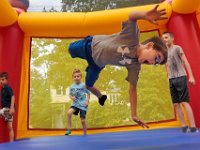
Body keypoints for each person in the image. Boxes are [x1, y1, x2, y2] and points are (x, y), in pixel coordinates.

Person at [68, 5, 168, 128]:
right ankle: (86, 66)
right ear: (150, 45)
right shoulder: (132, 37)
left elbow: (132, 89)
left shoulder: (135, 66)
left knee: (88, 85)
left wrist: (134, 114)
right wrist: (145, 16)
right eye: (157, 57)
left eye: (157, 63)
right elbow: (132, 17)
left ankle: (101, 96)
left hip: (97, 64)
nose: (153, 63)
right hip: (89, 46)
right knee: (70, 49)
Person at [162, 32, 198, 133]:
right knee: (176, 104)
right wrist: (168, 78)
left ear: (172, 38)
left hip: (181, 77)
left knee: (184, 102)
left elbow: (186, 62)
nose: (164, 39)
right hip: (171, 79)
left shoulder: (177, 48)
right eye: (163, 38)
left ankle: (193, 126)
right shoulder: (165, 52)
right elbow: (167, 65)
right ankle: (183, 126)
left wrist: (191, 76)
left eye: (166, 37)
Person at [65, 69, 90, 135]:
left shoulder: (84, 85)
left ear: (81, 77)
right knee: (69, 113)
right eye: (75, 76)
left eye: (78, 76)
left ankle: (85, 134)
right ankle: (69, 129)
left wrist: (87, 101)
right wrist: (72, 97)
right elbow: (70, 95)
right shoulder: (72, 86)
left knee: (83, 121)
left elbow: (88, 93)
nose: (76, 78)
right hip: (75, 104)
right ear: (73, 78)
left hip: (82, 105)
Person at [0, 72, 15, 142]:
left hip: (8, 109)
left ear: (6, 80)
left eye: (3, 79)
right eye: (0, 80)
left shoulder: (7, 87)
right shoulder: (3, 89)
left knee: (2, 111)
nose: (1, 81)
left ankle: (3, 114)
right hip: (6, 110)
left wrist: (12, 108)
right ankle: (11, 142)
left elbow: (13, 96)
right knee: (10, 127)